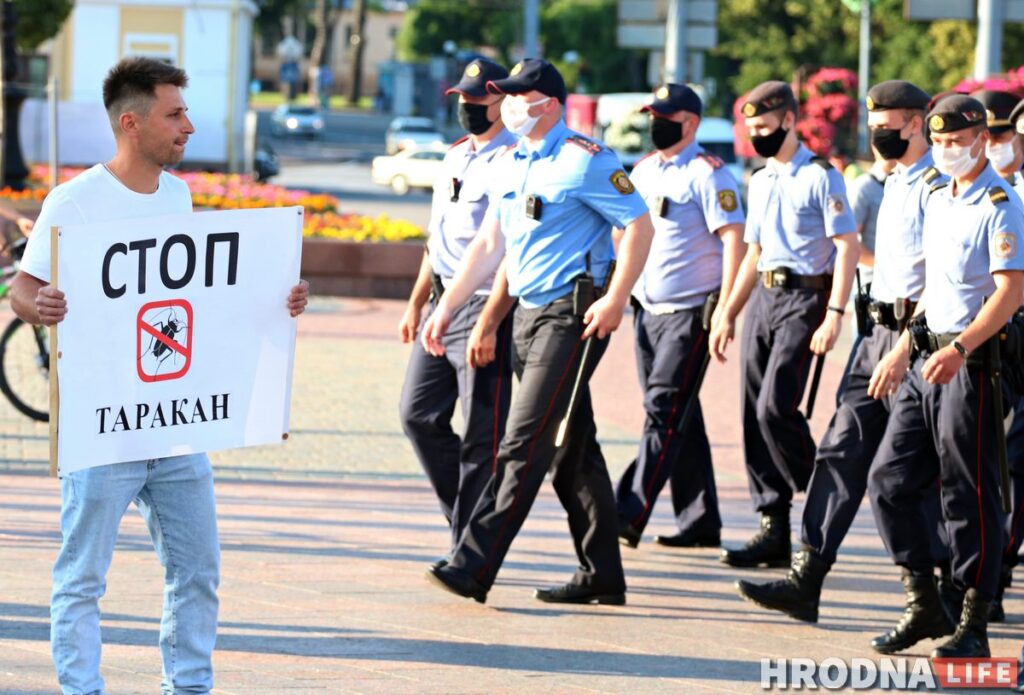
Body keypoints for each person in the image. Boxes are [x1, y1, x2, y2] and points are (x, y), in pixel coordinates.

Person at [10, 57, 310, 694]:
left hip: (174, 424)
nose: (188, 127)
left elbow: (194, 296)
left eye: (185, 112)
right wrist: (44, 306)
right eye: (174, 114)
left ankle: (189, 687)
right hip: (101, 426)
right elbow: (22, 291)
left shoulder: (179, 194)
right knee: (83, 578)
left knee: (197, 569)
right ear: (131, 122)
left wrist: (278, 297)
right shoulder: (76, 201)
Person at [420, 59, 654, 604]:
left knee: (523, 443)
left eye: (518, 96)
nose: (509, 106)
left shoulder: (587, 161)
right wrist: (450, 308)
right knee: (573, 447)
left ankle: (473, 565)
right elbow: (490, 248)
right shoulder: (511, 163)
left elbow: (638, 224)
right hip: (527, 315)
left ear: (546, 101)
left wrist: (618, 297)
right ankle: (603, 573)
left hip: (573, 317)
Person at [735, 80, 946, 623]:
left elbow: (941, 282)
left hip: (913, 344)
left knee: (905, 475)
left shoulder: (937, 188)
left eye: (890, 128)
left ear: (918, 124)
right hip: (872, 337)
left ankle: (936, 592)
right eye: (874, 128)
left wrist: (906, 346)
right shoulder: (892, 182)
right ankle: (808, 578)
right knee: (838, 451)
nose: (880, 137)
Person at [866, 94, 1024, 658]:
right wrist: (903, 346)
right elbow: (936, 287)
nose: (947, 151)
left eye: (957, 142)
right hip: (925, 360)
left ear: (982, 138)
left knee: (970, 493)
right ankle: (923, 599)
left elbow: (1010, 291)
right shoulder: (938, 196)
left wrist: (960, 346)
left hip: (972, 366)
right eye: (938, 143)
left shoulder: (1000, 204)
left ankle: (973, 620)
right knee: (888, 479)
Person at [710, 80, 860, 569]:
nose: (758, 136)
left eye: (765, 127)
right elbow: (752, 253)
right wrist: (727, 312)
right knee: (753, 411)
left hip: (805, 297)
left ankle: (818, 491)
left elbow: (846, 247)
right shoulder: (760, 179)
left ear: (790, 121)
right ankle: (772, 524)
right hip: (764, 300)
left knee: (777, 406)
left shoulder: (821, 176)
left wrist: (835, 314)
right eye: (751, 129)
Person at [615, 83, 745, 549]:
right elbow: (627, 231)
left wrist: (726, 309)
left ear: (690, 123)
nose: (655, 123)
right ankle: (700, 521)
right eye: (652, 113)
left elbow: (734, 240)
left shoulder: (710, 174)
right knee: (679, 416)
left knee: (662, 409)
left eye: (665, 115)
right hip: (647, 308)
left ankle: (626, 512)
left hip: (690, 312)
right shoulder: (645, 169)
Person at [398, 58, 516, 566]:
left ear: (502, 103)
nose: (468, 108)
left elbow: (505, 248)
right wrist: (417, 301)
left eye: (478, 101)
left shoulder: (514, 162)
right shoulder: (453, 157)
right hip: (441, 303)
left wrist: (490, 318)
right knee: (417, 414)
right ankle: (466, 523)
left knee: (482, 435)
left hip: (485, 303)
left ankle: (470, 551)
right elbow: (436, 238)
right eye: (463, 100)